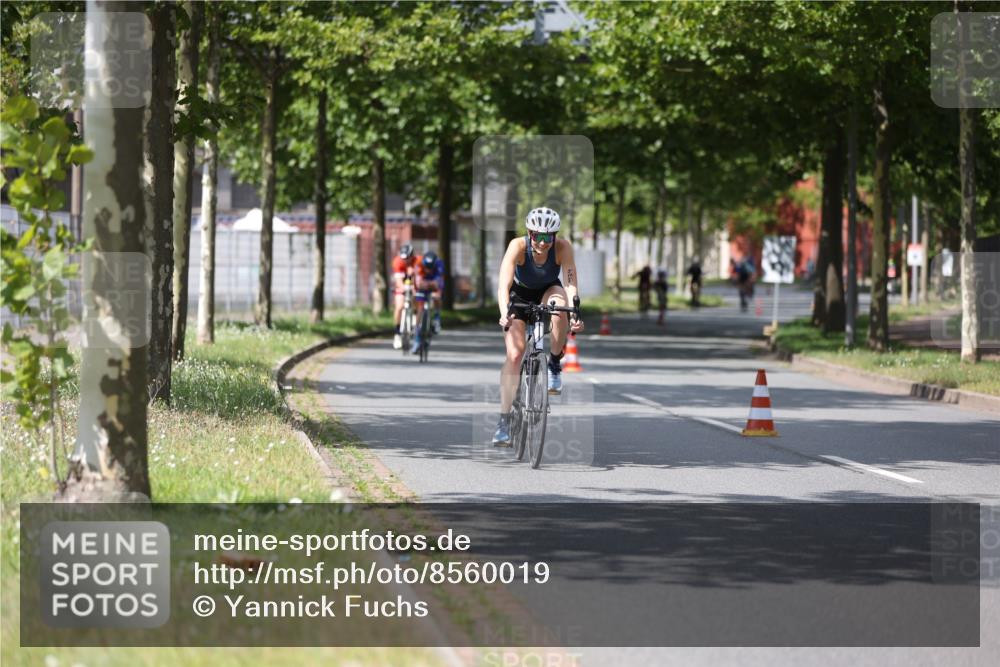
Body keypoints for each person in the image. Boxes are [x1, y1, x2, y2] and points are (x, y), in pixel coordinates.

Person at [492, 207, 584, 446]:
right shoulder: (517, 246)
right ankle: (504, 419)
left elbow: (570, 283)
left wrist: (574, 312)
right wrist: (504, 314)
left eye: (548, 237)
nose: (542, 242)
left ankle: (554, 363)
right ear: (529, 233)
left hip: (548, 289)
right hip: (519, 295)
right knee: (514, 354)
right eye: (537, 236)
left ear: (555, 237)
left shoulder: (563, 248)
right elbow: (503, 286)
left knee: (559, 305)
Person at [410, 251, 444, 355]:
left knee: (437, 297)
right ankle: (416, 340)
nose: (428, 269)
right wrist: (422, 286)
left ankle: (437, 318)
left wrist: (433, 287)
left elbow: (438, 283)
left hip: (434, 281)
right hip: (423, 283)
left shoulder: (439, 265)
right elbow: (419, 283)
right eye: (426, 267)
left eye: (430, 267)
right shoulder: (419, 264)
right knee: (420, 308)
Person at [391, 244, 419, 349]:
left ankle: (415, 319)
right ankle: (397, 333)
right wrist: (403, 288)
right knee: (399, 306)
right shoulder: (397, 262)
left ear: (412, 256)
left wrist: (415, 288)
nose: (405, 261)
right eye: (404, 259)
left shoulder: (417, 261)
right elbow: (398, 281)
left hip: (414, 283)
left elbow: (419, 278)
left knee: (417, 298)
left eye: (407, 258)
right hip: (403, 284)